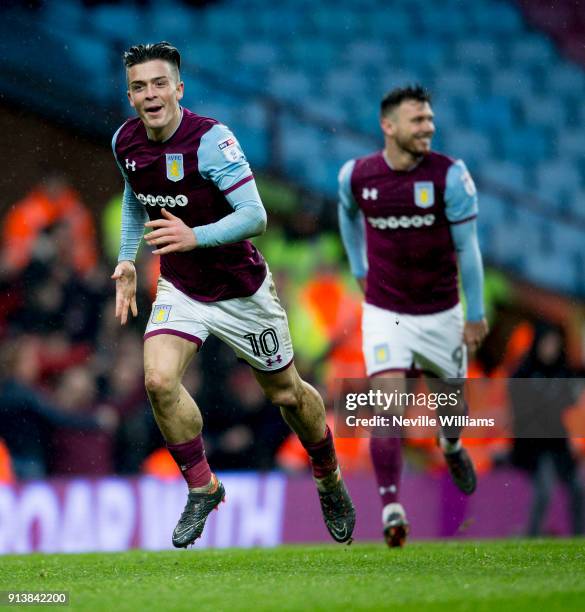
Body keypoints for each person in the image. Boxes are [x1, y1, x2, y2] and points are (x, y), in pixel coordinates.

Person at [110, 41, 355, 548]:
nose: (150, 94)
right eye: (139, 86)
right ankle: (203, 486)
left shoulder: (210, 141)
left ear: (179, 88)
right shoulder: (125, 142)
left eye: (159, 83)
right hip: (182, 286)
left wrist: (194, 236)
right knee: (157, 379)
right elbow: (137, 198)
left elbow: (255, 216)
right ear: (130, 95)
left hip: (241, 290)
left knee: (286, 394)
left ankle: (328, 477)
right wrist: (126, 260)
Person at [338, 85, 488, 547]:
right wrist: (359, 267)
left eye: (429, 119)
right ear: (389, 126)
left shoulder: (449, 176)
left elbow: (468, 248)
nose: (428, 127)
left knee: (452, 408)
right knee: (386, 411)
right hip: (387, 312)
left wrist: (475, 313)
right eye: (418, 120)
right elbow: (347, 215)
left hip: (442, 311)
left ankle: (451, 445)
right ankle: (391, 508)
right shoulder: (356, 176)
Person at [509, 323, 584, 536]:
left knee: (577, 488)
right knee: (544, 489)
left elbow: (569, 401)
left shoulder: (562, 371)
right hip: (533, 442)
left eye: (554, 344)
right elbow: (523, 410)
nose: (550, 348)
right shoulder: (524, 373)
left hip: (556, 440)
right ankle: (531, 534)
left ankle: (579, 536)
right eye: (547, 343)